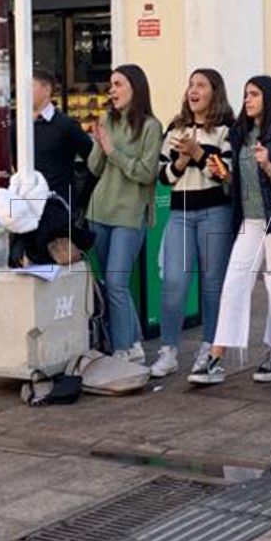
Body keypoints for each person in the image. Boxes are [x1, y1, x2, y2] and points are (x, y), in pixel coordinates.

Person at [189, 75, 271, 386]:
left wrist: (268, 165)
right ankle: (216, 356)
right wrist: (224, 175)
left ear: (269, 97)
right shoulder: (240, 133)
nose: (247, 100)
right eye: (245, 95)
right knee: (234, 283)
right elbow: (238, 185)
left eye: (254, 94)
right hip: (250, 221)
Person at [152, 68, 236, 379]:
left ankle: (209, 349)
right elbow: (163, 177)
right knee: (174, 281)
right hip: (179, 213)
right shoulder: (175, 128)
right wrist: (183, 160)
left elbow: (225, 175)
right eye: (190, 84)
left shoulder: (226, 130)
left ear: (215, 92)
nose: (193, 90)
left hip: (215, 212)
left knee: (213, 284)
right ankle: (168, 350)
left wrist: (199, 153)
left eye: (201, 85)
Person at [86, 64, 164, 364]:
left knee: (117, 282)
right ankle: (132, 344)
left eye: (118, 84)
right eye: (111, 85)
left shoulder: (150, 127)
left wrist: (113, 151)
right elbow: (94, 168)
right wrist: (98, 143)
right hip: (99, 211)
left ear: (135, 87)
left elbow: (146, 174)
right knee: (109, 283)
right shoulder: (107, 119)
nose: (112, 90)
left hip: (130, 215)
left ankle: (123, 347)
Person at [25, 70, 94, 210]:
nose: (24, 91)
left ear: (46, 90)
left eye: (30, 86)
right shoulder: (19, 126)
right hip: (28, 206)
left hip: (60, 205)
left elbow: (92, 159)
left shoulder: (66, 125)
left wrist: (81, 197)